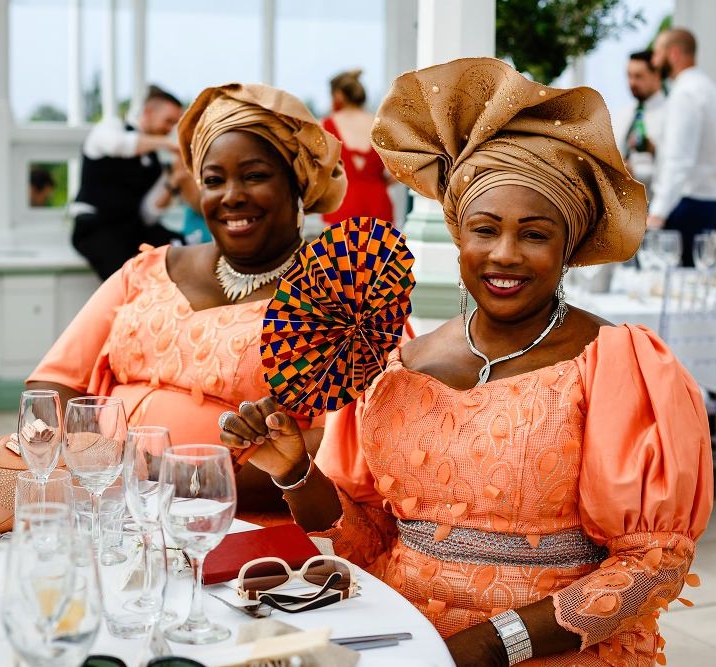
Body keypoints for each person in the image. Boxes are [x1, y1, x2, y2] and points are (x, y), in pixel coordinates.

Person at [220, 59, 713, 666]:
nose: (504, 255)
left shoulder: (617, 364)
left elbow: (651, 564)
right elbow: (366, 541)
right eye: (485, 230)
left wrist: (491, 643)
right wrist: (296, 472)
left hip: (551, 650)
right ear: (460, 236)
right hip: (399, 637)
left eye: (534, 235)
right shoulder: (393, 365)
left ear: (569, 247)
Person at [26, 82, 347, 521]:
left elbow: (340, 449)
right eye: (214, 180)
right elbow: (51, 386)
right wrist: (101, 471)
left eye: (254, 176)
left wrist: (178, 482)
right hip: (102, 508)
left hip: (238, 531)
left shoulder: (338, 301)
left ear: (298, 185)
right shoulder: (148, 269)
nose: (231, 195)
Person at [71, 85, 186, 280]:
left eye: (174, 124)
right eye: (168, 122)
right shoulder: (112, 127)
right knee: (126, 277)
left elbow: (148, 214)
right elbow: (118, 145)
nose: (169, 130)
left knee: (180, 248)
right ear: (148, 112)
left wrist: (174, 180)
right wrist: (166, 144)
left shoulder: (155, 164)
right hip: (96, 225)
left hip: (131, 228)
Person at [648, 28, 716, 266]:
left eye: (657, 53)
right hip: (707, 204)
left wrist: (658, 213)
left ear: (674, 54)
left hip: (688, 207)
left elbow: (679, 160)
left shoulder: (685, 94)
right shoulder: (707, 88)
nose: (654, 61)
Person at [321, 70, 394, 225]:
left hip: (342, 203)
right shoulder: (381, 124)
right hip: (378, 202)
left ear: (338, 95)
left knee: (341, 249)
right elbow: (403, 168)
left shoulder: (326, 126)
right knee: (378, 249)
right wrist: (380, 182)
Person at [611, 50, 665, 197]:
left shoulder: (670, 114)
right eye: (629, 76)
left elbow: (676, 166)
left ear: (656, 75)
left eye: (639, 76)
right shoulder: (620, 116)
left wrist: (634, 173)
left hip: (655, 207)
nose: (632, 83)